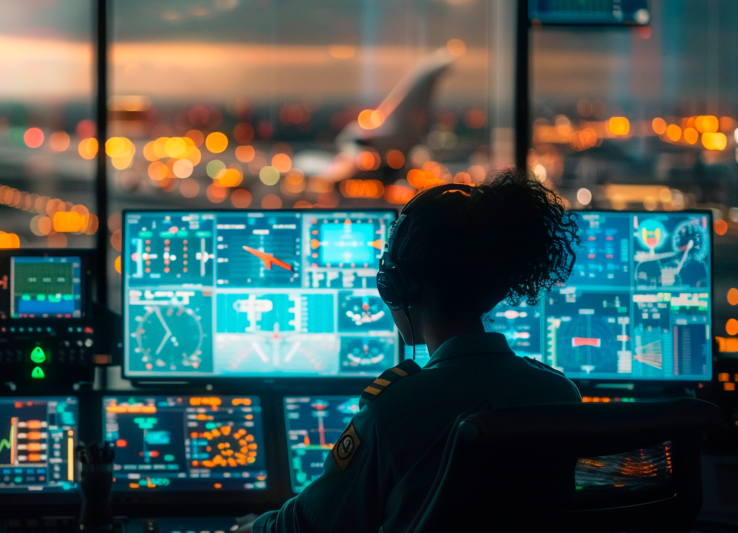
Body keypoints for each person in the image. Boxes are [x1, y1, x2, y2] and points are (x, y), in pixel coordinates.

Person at [239, 168, 582, 533]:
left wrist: (245, 529)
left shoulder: (392, 412)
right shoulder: (559, 395)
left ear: (397, 287)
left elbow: (309, 525)